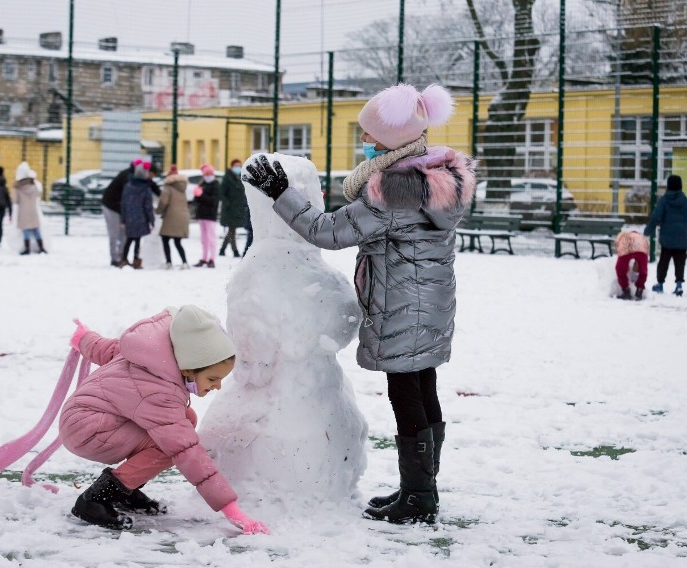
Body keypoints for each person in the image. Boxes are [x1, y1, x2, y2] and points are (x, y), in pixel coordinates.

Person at [243, 83, 476, 525]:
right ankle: (419, 490)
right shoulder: (439, 178)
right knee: (422, 386)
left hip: (401, 302)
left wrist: (280, 193)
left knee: (406, 392)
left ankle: (419, 497)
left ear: (392, 139)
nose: (364, 142)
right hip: (430, 300)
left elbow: (328, 232)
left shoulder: (396, 188)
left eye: (370, 136)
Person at [61, 305, 270, 535]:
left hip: (86, 419)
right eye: (212, 378)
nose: (217, 386)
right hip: (89, 431)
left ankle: (125, 490)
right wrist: (231, 509)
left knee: (185, 419)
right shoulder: (160, 392)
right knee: (169, 444)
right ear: (190, 368)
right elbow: (186, 450)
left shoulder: (150, 356)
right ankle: (95, 500)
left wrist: (83, 338)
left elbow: (107, 349)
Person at [644, 174, 687, 296]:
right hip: (681, 238)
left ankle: (660, 284)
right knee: (680, 262)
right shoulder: (686, 201)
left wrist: (648, 230)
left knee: (663, 262)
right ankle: (679, 285)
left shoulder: (664, 200)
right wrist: (683, 228)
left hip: (667, 238)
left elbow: (656, 216)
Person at [119, 158, 155, 269]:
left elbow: (123, 203)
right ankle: (136, 260)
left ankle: (124, 259)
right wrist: (151, 220)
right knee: (138, 240)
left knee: (129, 239)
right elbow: (147, 206)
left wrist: (123, 219)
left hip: (129, 217)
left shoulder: (128, 186)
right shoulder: (145, 188)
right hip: (141, 218)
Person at [156, 164, 190, 269]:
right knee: (177, 241)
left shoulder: (168, 188)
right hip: (183, 217)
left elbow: (163, 202)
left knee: (165, 239)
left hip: (171, 217)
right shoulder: (182, 187)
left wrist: (158, 211)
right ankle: (184, 262)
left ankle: (168, 262)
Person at [101, 162, 132, 267]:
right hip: (111, 206)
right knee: (114, 233)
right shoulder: (127, 177)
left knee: (123, 233)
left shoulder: (130, 176)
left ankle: (121, 257)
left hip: (119, 207)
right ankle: (115, 258)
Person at [13, 162, 46, 255]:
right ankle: (41, 247)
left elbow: (15, 200)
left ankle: (27, 248)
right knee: (36, 229)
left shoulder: (18, 187)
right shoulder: (34, 186)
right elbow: (38, 194)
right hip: (33, 210)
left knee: (26, 230)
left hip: (23, 211)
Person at [218, 159, 247, 258]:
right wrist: (227, 204)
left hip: (238, 208)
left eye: (239, 165)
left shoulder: (240, 177)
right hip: (229, 209)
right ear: (231, 167)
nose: (238, 168)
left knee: (232, 230)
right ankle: (235, 250)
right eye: (236, 166)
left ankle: (222, 249)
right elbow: (222, 193)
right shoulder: (227, 177)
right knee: (232, 230)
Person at [192, 164, 220, 268]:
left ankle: (212, 258)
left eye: (209, 174)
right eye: (206, 174)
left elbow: (213, 201)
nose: (208, 176)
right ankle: (204, 258)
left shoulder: (216, 185)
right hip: (201, 214)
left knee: (211, 238)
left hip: (210, 215)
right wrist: (196, 195)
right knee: (204, 239)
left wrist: (202, 195)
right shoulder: (202, 184)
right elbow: (196, 201)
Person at [614, 230, 649, 300]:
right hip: (641, 247)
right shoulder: (642, 238)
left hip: (626, 245)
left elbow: (619, 250)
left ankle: (626, 290)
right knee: (643, 269)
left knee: (620, 268)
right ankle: (639, 290)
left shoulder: (622, 237)